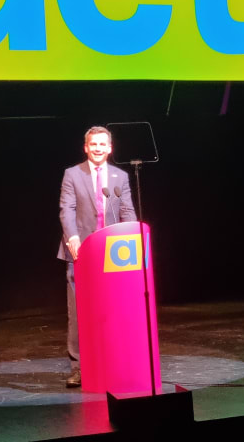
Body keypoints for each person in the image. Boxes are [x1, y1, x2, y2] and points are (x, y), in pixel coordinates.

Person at [57, 126, 137, 388]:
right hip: (80, 252)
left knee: (114, 310)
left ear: (110, 148)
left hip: (113, 255)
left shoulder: (120, 176)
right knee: (79, 312)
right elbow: (66, 210)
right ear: (86, 147)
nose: (98, 148)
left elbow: (127, 210)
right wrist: (73, 238)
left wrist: (133, 241)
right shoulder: (72, 174)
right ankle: (79, 367)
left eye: (103, 144)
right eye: (93, 144)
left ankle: (114, 362)